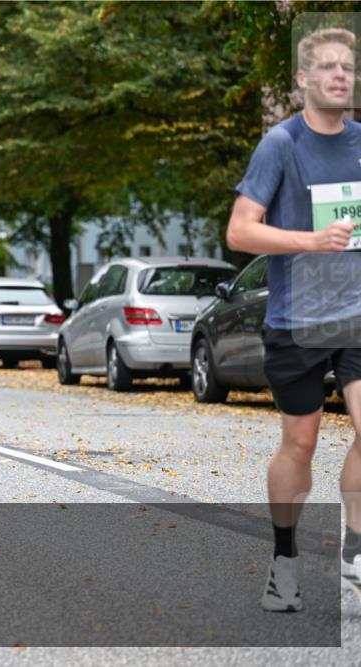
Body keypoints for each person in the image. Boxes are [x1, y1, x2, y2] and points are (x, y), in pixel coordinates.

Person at [226, 27, 361, 611]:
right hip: (298, 318)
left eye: (348, 68)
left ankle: (355, 549)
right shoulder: (280, 145)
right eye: (327, 67)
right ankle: (284, 558)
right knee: (300, 444)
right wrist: (310, 241)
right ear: (303, 79)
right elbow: (239, 230)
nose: (339, 75)